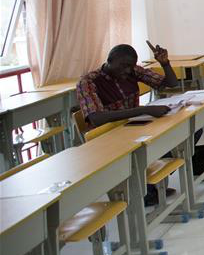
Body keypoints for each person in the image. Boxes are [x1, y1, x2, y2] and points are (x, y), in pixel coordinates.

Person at [76, 42, 181, 206]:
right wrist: (141, 110)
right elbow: (96, 118)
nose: (127, 71)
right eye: (123, 66)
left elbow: (171, 83)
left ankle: (149, 185)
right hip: (108, 140)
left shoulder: (132, 71)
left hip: (134, 129)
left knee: (180, 134)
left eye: (130, 66)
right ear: (109, 61)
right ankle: (144, 188)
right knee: (160, 144)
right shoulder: (88, 82)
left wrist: (165, 63)